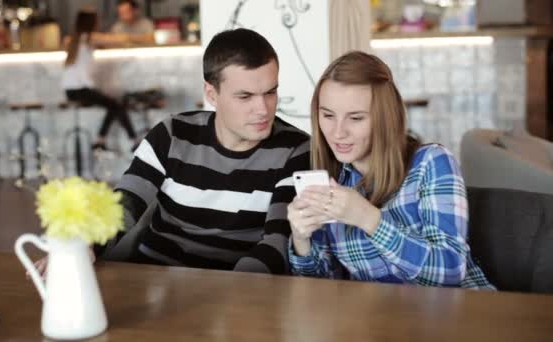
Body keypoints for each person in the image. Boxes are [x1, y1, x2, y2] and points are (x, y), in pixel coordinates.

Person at [35, 28, 310, 276]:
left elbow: (277, 242)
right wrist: (85, 244)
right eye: (245, 96)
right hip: (153, 278)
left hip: (235, 287)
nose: (263, 109)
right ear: (212, 95)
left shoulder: (295, 149)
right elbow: (126, 204)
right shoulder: (173, 134)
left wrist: (232, 292)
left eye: (270, 92)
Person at [287, 51, 494, 289]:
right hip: (381, 321)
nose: (337, 132)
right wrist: (301, 241)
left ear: (385, 118)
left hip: (461, 314)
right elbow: (323, 289)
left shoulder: (431, 163)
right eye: (328, 115)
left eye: (355, 118)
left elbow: (450, 271)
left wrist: (369, 218)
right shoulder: (332, 179)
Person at [62, 9, 142, 151]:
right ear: (91, 23)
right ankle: (132, 141)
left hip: (71, 90)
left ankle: (103, 140)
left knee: (114, 105)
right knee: (116, 104)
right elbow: (120, 40)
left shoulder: (74, 39)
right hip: (81, 90)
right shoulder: (90, 37)